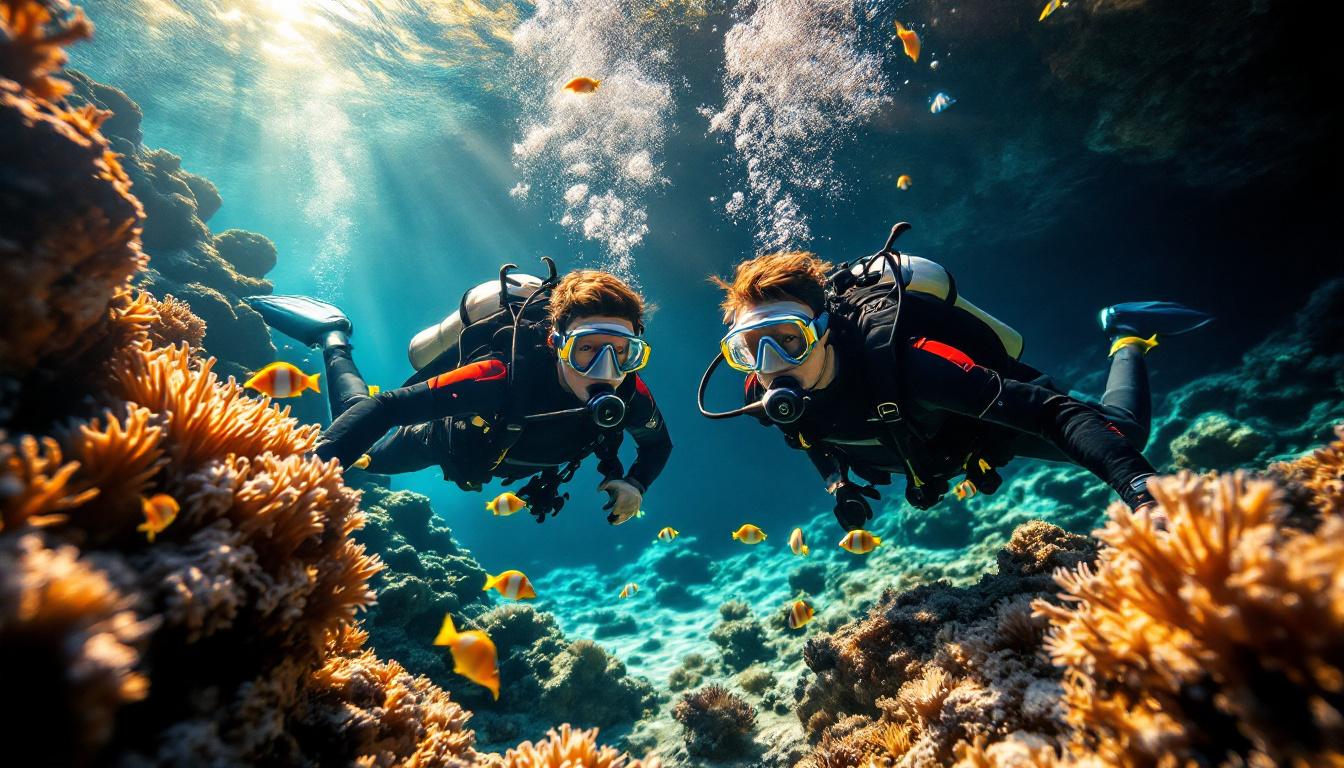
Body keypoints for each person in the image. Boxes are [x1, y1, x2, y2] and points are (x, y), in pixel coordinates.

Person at [702, 239, 1212, 532]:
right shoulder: (762, 395)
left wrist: (1143, 493)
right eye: (750, 349)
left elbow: (1055, 414)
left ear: (825, 331)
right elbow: (807, 436)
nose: (770, 366)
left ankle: (1127, 334)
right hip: (928, 443)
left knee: (1125, 433)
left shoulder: (912, 365)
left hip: (978, 423)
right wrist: (838, 484)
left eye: (788, 341)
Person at [246, 269, 671, 525]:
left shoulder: (630, 394)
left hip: (494, 459)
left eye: (622, 352)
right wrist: (306, 476)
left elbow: (658, 444)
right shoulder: (501, 377)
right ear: (556, 343)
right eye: (586, 349)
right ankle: (332, 337)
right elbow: (387, 407)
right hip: (437, 442)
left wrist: (636, 484)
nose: (605, 371)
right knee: (367, 454)